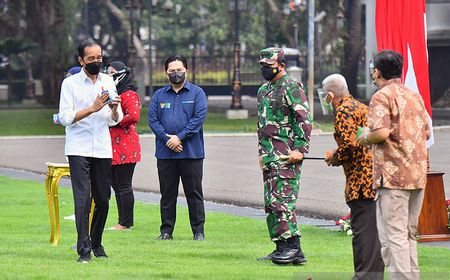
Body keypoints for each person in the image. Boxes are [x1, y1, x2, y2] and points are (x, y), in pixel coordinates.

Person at [358, 50, 430, 280]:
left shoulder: (382, 96)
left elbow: (381, 132)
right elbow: (427, 131)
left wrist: (364, 137)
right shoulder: (414, 95)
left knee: (393, 237)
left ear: (377, 71)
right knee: (408, 236)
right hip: (417, 175)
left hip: (393, 177)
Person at [58, 38, 123, 263]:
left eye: (99, 58)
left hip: (103, 148)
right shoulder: (70, 84)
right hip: (78, 148)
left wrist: (114, 110)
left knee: (103, 199)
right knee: (82, 200)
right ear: (81, 60)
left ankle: (96, 242)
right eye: (91, 59)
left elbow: (115, 119)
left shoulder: (107, 81)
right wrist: (91, 108)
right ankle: (83, 250)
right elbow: (65, 117)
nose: (96, 61)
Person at [321, 74, 384, 279]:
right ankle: (373, 275)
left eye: (325, 96)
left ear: (330, 95)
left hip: (360, 181)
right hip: (373, 176)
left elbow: (349, 147)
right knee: (373, 233)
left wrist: (334, 156)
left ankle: (364, 276)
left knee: (363, 233)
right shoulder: (361, 107)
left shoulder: (343, 111)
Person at [256, 47, 312, 265]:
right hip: (270, 156)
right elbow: (261, 125)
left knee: (284, 202)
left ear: (281, 65)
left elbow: (303, 120)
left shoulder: (291, 86)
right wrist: (261, 153)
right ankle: (281, 246)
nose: (265, 69)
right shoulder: (263, 90)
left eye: (268, 66)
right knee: (271, 203)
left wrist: (300, 149)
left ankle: (293, 247)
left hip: (287, 155)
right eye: (262, 66)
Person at [148, 55, 207, 241]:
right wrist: (168, 139)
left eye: (179, 70)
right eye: (172, 71)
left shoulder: (197, 93)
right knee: (167, 194)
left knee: (194, 193)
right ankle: (166, 231)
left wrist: (179, 138)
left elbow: (198, 119)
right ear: (166, 73)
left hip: (191, 153)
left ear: (186, 71)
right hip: (166, 154)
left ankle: (198, 232)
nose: (176, 74)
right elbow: (153, 120)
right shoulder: (159, 95)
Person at [105, 61, 141, 231]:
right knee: (117, 185)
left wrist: (115, 121)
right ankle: (123, 221)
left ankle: (125, 222)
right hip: (113, 147)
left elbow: (134, 116)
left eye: (112, 72)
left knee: (123, 185)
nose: (108, 75)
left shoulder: (128, 94)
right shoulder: (113, 94)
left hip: (125, 147)